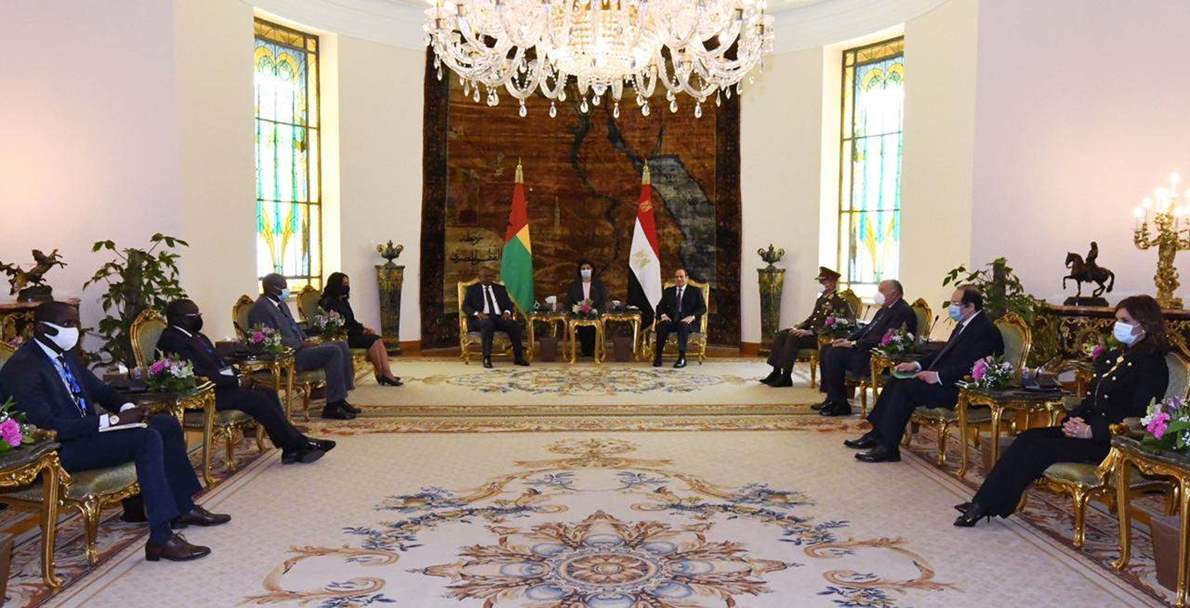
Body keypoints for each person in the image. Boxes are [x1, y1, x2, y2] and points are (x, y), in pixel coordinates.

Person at [0, 302, 229, 562]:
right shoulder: (23, 368)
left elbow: (100, 390)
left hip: (86, 434)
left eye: (76, 323)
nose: (74, 330)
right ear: (43, 328)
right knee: (146, 439)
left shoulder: (63, 354)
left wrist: (128, 408)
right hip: (59, 449)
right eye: (67, 324)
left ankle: (182, 508)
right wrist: (112, 421)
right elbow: (49, 427)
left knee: (164, 424)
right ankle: (161, 538)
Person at [954, 295, 1169, 526]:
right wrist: (1073, 421)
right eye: (1117, 320)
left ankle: (983, 506)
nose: (1118, 326)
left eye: (1125, 321)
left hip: (1111, 441)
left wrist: (1092, 430)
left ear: (1144, 324)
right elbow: (1092, 399)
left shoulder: (1152, 365)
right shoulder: (1115, 357)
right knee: (1027, 438)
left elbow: (1139, 415)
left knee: (1037, 448)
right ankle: (984, 503)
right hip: (1086, 430)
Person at [157, 299, 335, 465]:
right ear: (178, 319)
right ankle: (298, 444)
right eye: (194, 316)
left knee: (268, 392)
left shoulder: (198, 336)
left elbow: (219, 362)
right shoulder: (172, 340)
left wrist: (237, 374)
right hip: (204, 393)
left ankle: (291, 448)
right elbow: (197, 373)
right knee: (258, 399)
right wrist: (237, 382)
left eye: (199, 314)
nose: (198, 318)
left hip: (222, 385)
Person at [845, 286, 1004, 463]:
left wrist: (937, 376)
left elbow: (972, 366)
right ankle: (877, 434)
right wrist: (916, 364)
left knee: (905, 388)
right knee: (896, 379)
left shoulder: (984, 330)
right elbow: (943, 352)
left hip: (958, 388)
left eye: (955, 303)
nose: (951, 307)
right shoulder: (966, 323)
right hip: (944, 380)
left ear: (971, 306)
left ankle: (888, 448)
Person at [248, 274, 357, 420]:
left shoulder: (281, 304)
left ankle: (340, 398)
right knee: (334, 351)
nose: (286, 290)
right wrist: (300, 344)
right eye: (283, 287)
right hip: (289, 355)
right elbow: (271, 339)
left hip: (302, 347)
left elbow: (294, 326)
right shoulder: (261, 308)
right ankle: (332, 406)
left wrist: (307, 339)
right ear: (272, 289)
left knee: (341, 345)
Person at [817, 280, 917, 417]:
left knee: (835, 354)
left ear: (894, 293)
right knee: (827, 348)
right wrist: (848, 339)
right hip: (864, 349)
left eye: (882, 290)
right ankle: (831, 398)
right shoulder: (884, 309)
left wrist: (854, 344)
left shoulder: (903, 311)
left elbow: (885, 338)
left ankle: (840, 403)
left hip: (874, 355)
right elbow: (867, 329)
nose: (878, 294)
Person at [761, 267, 852, 387]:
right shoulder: (821, 299)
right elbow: (812, 319)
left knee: (793, 338)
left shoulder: (840, 301)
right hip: (811, 333)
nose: (821, 284)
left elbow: (847, 321)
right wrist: (797, 327)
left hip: (823, 338)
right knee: (782, 334)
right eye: (821, 281)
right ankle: (776, 372)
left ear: (833, 282)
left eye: (824, 281)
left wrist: (812, 332)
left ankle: (786, 376)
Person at [319, 272, 402, 386]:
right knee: (373, 340)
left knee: (377, 339)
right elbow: (340, 325)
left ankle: (384, 372)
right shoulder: (329, 303)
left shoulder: (343, 301)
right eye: (344, 283)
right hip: (343, 337)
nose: (347, 286)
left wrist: (364, 328)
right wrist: (361, 331)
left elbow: (351, 321)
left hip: (353, 333)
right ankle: (384, 373)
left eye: (348, 283)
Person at [462, 266, 529, 369]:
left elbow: (509, 304)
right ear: (479, 277)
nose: (489, 278)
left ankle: (518, 357)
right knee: (487, 324)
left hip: (499, 318)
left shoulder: (500, 289)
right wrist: (477, 313)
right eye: (486, 276)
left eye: (491, 276)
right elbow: (465, 306)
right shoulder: (472, 289)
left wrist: (507, 312)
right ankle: (486, 358)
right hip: (480, 319)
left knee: (514, 325)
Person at [653, 268, 706, 369]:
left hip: (688, 322)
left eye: (681, 277)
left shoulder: (695, 291)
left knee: (683, 325)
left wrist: (692, 317)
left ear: (687, 278)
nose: (679, 279)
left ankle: (682, 357)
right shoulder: (669, 291)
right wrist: (663, 315)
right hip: (672, 320)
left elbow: (702, 308)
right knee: (662, 325)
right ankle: (658, 356)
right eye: (676, 277)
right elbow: (659, 307)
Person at [565, 260, 607, 357]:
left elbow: (603, 300)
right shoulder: (574, 285)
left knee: (593, 326)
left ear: (592, 270)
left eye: (588, 268)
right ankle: (585, 350)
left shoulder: (598, 284)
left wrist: (595, 310)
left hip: (594, 312)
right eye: (583, 269)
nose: (586, 270)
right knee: (582, 327)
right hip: (579, 312)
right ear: (579, 271)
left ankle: (593, 350)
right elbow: (569, 301)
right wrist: (577, 308)